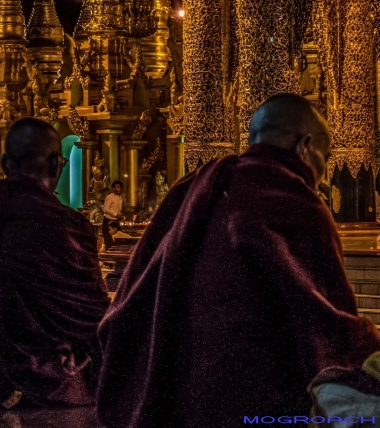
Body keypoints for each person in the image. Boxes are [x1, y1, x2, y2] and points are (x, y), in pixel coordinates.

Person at [97, 93, 380, 427]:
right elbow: (326, 319)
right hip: (255, 396)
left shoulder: (191, 189)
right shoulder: (295, 201)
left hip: (174, 387)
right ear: (305, 146)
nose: (321, 171)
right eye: (325, 156)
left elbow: (137, 285)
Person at [0, 117, 110, 410]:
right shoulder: (68, 225)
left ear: (2, 163)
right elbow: (93, 317)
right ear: (55, 165)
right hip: (49, 381)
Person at [102, 181, 123, 251]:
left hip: (116, 222)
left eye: (118, 187)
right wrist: (116, 215)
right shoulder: (109, 197)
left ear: (121, 188)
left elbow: (118, 210)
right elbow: (105, 209)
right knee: (109, 242)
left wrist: (120, 215)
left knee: (117, 241)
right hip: (108, 221)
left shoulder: (120, 198)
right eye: (114, 187)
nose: (116, 189)